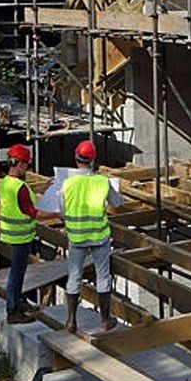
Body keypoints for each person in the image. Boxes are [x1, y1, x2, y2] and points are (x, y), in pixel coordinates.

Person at [62, 139, 124, 334]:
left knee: (74, 277)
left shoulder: (68, 183)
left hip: (77, 237)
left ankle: (71, 322)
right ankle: (105, 321)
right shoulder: (102, 182)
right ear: (93, 160)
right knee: (103, 277)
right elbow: (117, 203)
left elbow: (63, 210)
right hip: (99, 237)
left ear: (76, 159)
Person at [0, 144, 42, 324]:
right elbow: (32, 212)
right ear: (21, 164)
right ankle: (13, 311)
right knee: (16, 274)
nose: (27, 168)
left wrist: (44, 187)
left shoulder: (5, 182)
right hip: (21, 236)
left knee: (18, 271)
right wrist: (57, 214)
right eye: (26, 165)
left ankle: (19, 301)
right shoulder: (20, 187)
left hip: (10, 234)